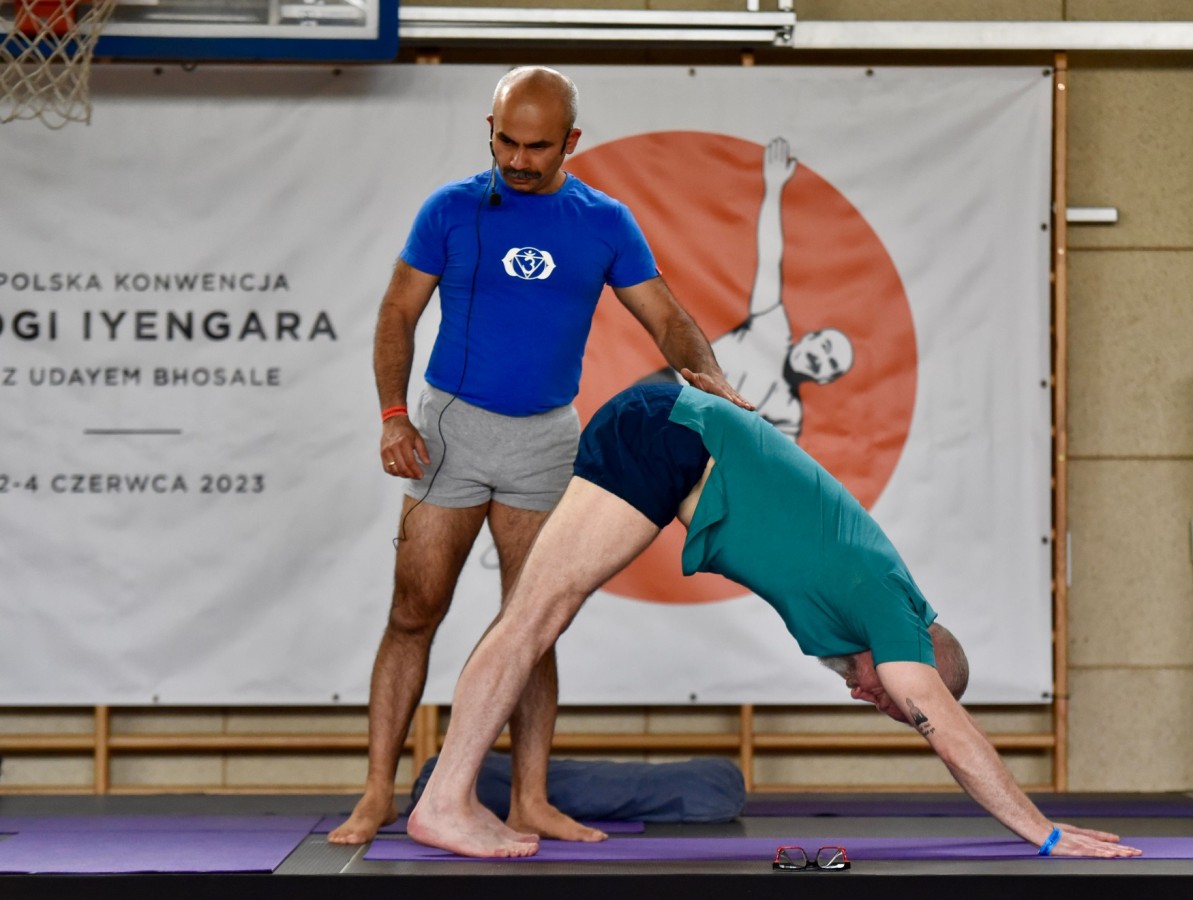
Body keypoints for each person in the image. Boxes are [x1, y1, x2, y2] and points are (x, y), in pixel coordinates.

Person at [405, 383, 1144, 860]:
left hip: (667, 434)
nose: (870, 697)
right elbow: (947, 729)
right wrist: (1043, 831)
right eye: (888, 698)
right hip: (671, 437)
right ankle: (444, 801)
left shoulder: (875, 598)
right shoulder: (893, 614)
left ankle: (455, 796)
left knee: (537, 617)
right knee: (533, 617)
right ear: (917, 661)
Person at [329, 67, 749, 846]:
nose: (518, 160)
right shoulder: (450, 209)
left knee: (533, 620)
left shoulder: (604, 221)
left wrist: (708, 374)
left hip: (546, 439)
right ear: (490, 132)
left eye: (537, 147)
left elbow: (664, 315)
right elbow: (397, 311)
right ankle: (377, 792)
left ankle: (528, 797)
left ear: (570, 142)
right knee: (412, 611)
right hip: (450, 429)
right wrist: (392, 416)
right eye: (506, 143)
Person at [641, 136, 853, 441]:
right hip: (668, 393)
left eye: (830, 364)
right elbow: (770, 258)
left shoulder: (789, 414)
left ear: (825, 379)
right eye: (825, 346)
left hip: (696, 440)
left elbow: (770, 462)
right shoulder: (772, 325)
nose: (821, 357)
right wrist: (774, 189)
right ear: (810, 338)